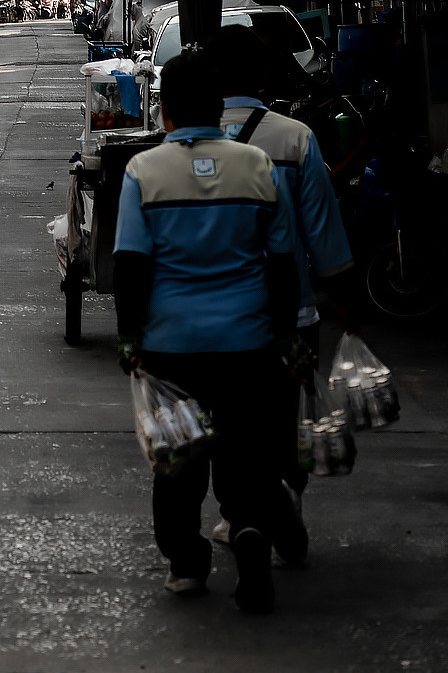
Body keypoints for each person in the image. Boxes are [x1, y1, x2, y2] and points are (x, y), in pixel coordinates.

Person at [113, 49, 301, 614]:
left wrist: (128, 338)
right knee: (244, 455)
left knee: (178, 463)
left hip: (171, 346)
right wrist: (286, 334)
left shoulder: (144, 171)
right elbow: (283, 263)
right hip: (249, 344)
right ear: (219, 109)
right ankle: (247, 530)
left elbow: (130, 265)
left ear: (164, 111)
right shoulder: (256, 167)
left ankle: (188, 565)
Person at [208, 23, 356, 554]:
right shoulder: (294, 137)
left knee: (224, 419)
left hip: (212, 319)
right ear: (264, 73)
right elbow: (323, 229)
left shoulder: (184, 139)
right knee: (281, 416)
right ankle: (286, 491)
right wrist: (342, 292)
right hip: (289, 313)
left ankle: (236, 513)